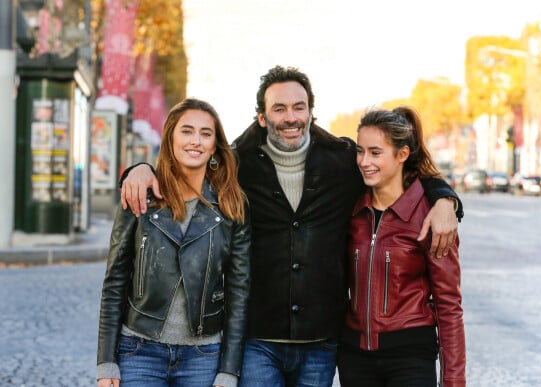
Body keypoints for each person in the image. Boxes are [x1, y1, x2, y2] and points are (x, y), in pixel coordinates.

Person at [119, 66, 463, 387]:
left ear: (311, 113)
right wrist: (138, 169)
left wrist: (445, 197)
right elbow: (186, 165)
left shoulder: (345, 160)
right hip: (258, 337)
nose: (291, 117)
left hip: (322, 339)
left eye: (299, 107)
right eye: (279, 109)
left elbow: (399, 171)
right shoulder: (236, 164)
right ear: (262, 117)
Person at [97, 98, 251, 387]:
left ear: (215, 146)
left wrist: (229, 370)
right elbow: (114, 281)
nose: (196, 141)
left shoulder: (232, 205)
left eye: (206, 134)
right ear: (170, 137)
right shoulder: (139, 196)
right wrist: (106, 364)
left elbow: (239, 292)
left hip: (204, 355)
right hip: (139, 351)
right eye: (187, 131)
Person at [337, 107, 465, 387]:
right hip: (355, 358)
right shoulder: (352, 208)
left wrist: (454, 380)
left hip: (410, 358)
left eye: (375, 152)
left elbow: (449, 306)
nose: (364, 161)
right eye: (360, 151)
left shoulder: (431, 216)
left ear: (402, 154)